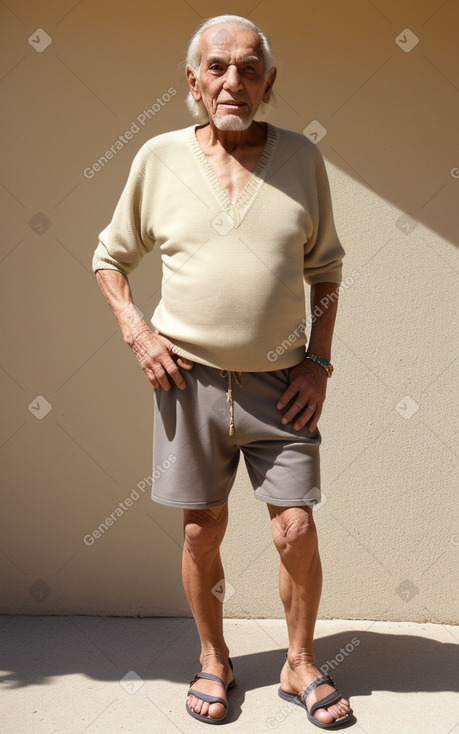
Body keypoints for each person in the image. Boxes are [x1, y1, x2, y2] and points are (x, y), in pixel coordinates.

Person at [92, 14, 353, 729]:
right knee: (199, 531)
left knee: (294, 528)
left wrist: (319, 363)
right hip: (189, 382)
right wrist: (138, 333)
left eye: (247, 68)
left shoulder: (302, 158)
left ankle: (299, 663)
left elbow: (326, 269)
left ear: (269, 83)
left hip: (280, 384)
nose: (231, 81)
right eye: (216, 67)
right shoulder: (156, 158)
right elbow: (109, 259)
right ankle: (214, 658)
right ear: (192, 80)